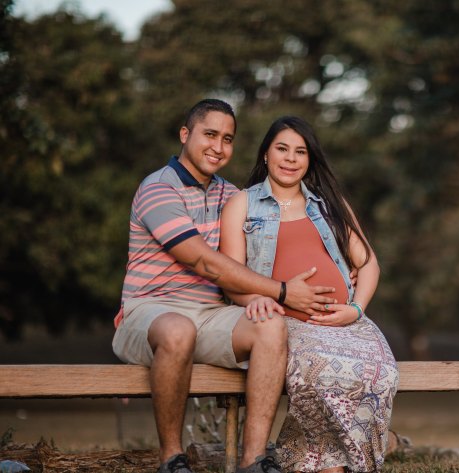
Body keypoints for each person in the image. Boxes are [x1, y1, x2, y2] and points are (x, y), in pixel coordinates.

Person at [112, 99, 340, 473]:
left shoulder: (231, 196)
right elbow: (203, 261)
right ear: (186, 135)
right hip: (149, 312)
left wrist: (338, 273)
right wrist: (280, 291)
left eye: (228, 139)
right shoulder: (157, 188)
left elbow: (265, 250)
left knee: (270, 327)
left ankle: (254, 460)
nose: (219, 147)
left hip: (211, 316)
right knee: (177, 329)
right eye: (210, 135)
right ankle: (171, 458)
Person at [219, 116, 399, 472]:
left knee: (383, 372)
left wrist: (356, 309)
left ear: (310, 160)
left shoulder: (329, 204)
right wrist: (254, 298)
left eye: (300, 152)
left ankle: (347, 459)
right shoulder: (243, 204)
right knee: (317, 374)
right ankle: (326, 464)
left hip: (345, 322)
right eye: (282, 149)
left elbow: (369, 264)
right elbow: (230, 276)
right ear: (266, 154)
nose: (290, 159)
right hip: (288, 322)